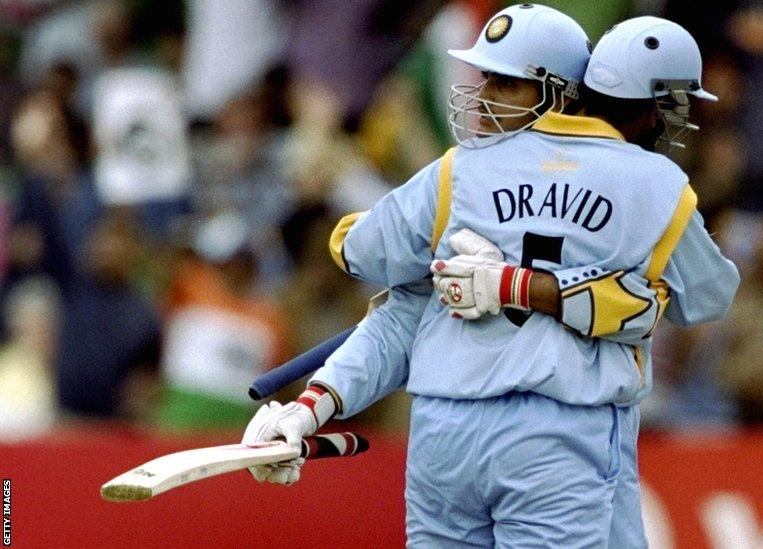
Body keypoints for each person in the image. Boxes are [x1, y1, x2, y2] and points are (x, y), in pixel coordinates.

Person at [245, 10, 737, 547]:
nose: (483, 96)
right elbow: (707, 297)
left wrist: (464, 262)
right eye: (487, 80)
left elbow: (355, 250)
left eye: (506, 82)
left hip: (443, 432)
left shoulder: (461, 170)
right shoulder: (657, 182)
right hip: (561, 432)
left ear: (564, 94)